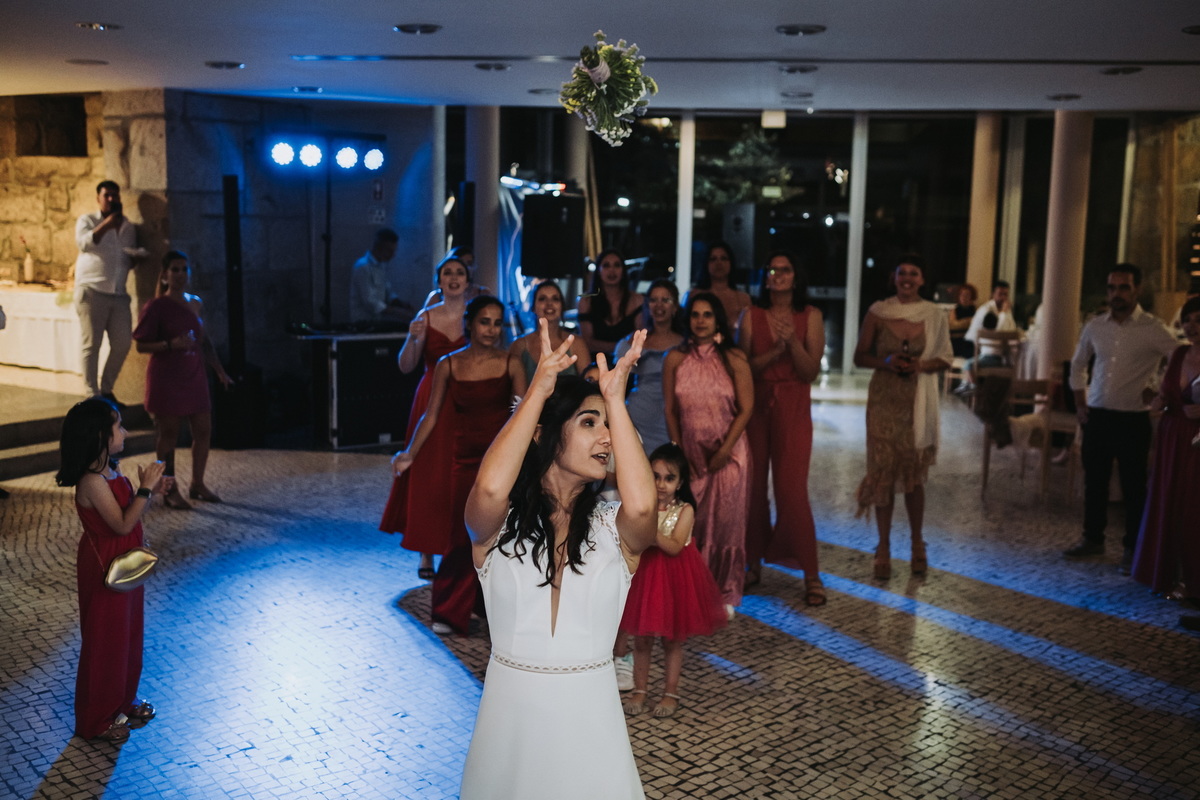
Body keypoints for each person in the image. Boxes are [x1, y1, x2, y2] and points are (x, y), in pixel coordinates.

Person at [458, 323, 655, 799]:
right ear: (543, 434)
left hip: (592, 731)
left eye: (608, 426)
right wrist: (538, 391)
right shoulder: (498, 527)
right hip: (509, 734)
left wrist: (616, 401)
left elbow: (644, 507)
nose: (606, 438)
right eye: (589, 423)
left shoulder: (615, 530)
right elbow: (489, 488)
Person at [392, 296, 526, 635]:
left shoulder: (511, 363)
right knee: (461, 535)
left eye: (497, 323)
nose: (491, 330)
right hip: (464, 460)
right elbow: (431, 415)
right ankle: (450, 611)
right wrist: (409, 453)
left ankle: (491, 609)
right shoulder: (448, 364)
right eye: (485, 322)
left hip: (501, 460)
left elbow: (523, 413)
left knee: (502, 535)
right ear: (470, 324)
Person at [55, 397, 170, 742]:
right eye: (118, 426)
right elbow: (120, 525)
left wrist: (149, 494)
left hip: (125, 562)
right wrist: (145, 488)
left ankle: (122, 700)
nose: (125, 432)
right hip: (106, 566)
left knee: (128, 635)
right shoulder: (91, 481)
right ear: (100, 436)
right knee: (106, 641)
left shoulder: (111, 470)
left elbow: (129, 513)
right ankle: (96, 720)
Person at [1064, 264, 1179, 569]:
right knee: (1095, 483)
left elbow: (1180, 358)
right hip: (1097, 415)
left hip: (1132, 419)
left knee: (1133, 487)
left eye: (1124, 287)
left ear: (1137, 289)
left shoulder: (1153, 328)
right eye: (1112, 288)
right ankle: (1092, 539)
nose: (1117, 294)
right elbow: (1077, 364)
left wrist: (1158, 388)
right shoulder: (1095, 326)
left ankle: (1133, 548)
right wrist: (1079, 402)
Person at [853, 255, 953, 579]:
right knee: (883, 471)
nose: (907, 278)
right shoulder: (878, 311)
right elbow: (859, 356)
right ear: (894, 278)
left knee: (912, 476)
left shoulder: (933, 314)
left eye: (914, 273)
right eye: (902, 273)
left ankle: (916, 543)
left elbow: (945, 357)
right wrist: (886, 362)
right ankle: (882, 547)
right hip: (884, 400)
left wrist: (920, 365)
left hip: (917, 402)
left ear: (922, 280)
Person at [737, 251, 826, 604]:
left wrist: (792, 344)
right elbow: (742, 369)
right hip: (757, 407)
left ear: (795, 275)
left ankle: (811, 572)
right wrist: (774, 353)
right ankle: (752, 563)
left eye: (785, 269)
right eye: (772, 270)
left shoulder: (811, 316)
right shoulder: (751, 315)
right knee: (754, 490)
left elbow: (810, 371)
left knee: (792, 491)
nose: (778, 275)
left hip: (794, 407)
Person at [663, 292, 753, 617]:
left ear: (718, 321)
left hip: (730, 454)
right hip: (691, 455)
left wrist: (724, 451)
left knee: (727, 524)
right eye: (695, 314)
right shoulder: (674, 358)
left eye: (707, 315)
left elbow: (747, 408)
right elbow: (670, 410)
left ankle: (725, 591)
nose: (700, 321)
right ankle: (691, 590)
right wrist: (678, 454)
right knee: (693, 522)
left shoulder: (734, 358)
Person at [619, 443, 726, 718]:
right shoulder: (642, 504)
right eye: (655, 476)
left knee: (672, 641)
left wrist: (649, 530)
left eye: (669, 478)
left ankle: (670, 692)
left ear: (680, 482)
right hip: (644, 578)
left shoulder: (685, 510)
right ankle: (640, 690)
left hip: (675, 579)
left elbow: (676, 546)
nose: (661, 484)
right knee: (641, 639)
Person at [379, 255, 469, 579]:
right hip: (431, 396)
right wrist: (413, 337)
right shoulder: (425, 316)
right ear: (439, 281)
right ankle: (426, 551)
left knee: (459, 474)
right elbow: (405, 365)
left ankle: (457, 546)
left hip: (466, 397)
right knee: (429, 472)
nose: (454, 278)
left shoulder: (475, 316)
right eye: (448, 273)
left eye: (460, 273)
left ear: (467, 280)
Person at [132, 251, 233, 509]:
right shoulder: (156, 306)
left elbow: (204, 341)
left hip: (194, 374)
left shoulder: (195, 302)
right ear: (165, 275)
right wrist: (171, 344)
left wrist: (219, 370)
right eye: (175, 269)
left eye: (184, 269)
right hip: (167, 377)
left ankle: (198, 483)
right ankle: (170, 488)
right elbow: (141, 345)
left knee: (204, 429)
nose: (180, 274)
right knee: (169, 434)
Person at [1132, 296, 1200, 598]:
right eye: (1187, 320)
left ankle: (1192, 580)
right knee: (1167, 501)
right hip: (1172, 437)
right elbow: (1164, 393)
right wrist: (1159, 401)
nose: (1192, 326)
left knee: (1193, 508)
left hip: (1197, 441)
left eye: (1199, 320)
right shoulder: (1178, 354)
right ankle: (1164, 572)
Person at [74, 180, 141, 404]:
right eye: (107, 195)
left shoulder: (128, 227)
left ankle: (106, 389)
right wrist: (107, 225)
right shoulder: (87, 220)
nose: (111, 199)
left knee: (123, 343)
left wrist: (136, 259)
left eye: (115, 195)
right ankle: (92, 394)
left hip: (119, 292)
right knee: (92, 344)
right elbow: (84, 244)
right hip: (92, 289)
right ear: (98, 198)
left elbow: (126, 257)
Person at [615, 279, 684, 455]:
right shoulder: (634, 341)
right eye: (653, 300)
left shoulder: (686, 345)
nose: (659, 305)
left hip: (675, 416)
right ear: (647, 306)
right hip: (638, 414)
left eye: (665, 300)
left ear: (675, 307)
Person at [508, 280, 589, 385]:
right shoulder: (519, 345)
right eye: (542, 299)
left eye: (555, 299)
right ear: (533, 307)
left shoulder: (576, 343)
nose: (549, 303)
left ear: (562, 306)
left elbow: (588, 385)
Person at [577, 249, 644, 363]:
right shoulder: (586, 301)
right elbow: (587, 342)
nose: (612, 270)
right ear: (598, 271)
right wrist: (620, 347)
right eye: (606, 265)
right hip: (595, 363)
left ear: (623, 270)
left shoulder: (638, 300)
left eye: (617, 265)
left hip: (629, 362)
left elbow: (640, 339)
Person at [961, 281, 1017, 387]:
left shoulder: (1005, 309)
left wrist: (1006, 313)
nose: (1003, 298)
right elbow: (997, 332)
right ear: (993, 294)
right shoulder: (986, 310)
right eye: (1000, 294)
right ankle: (975, 387)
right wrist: (1004, 313)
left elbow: (1011, 328)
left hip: (993, 349)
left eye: (1005, 294)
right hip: (974, 346)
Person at [349, 228, 411, 324]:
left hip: (376, 321)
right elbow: (369, 301)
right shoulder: (362, 267)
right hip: (362, 323)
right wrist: (398, 312)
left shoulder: (381, 266)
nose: (393, 255)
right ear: (379, 247)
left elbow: (387, 292)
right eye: (390, 251)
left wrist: (401, 304)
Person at [688, 241, 752, 331]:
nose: (719, 263)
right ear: (706, 264)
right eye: (713, 259)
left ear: (731, 263)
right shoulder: (695, 295)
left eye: (724, 258)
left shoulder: (744, 299)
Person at [949, 283, 978, 358]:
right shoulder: (954, 310)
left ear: (971, 297)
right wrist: (969, 321)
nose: (964, 297)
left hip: (970, 340)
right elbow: (953, 325)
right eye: (962, 295)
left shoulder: (976, 310)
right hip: (957, 340)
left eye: (967, 295)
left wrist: (962, 323)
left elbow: (977, 325)